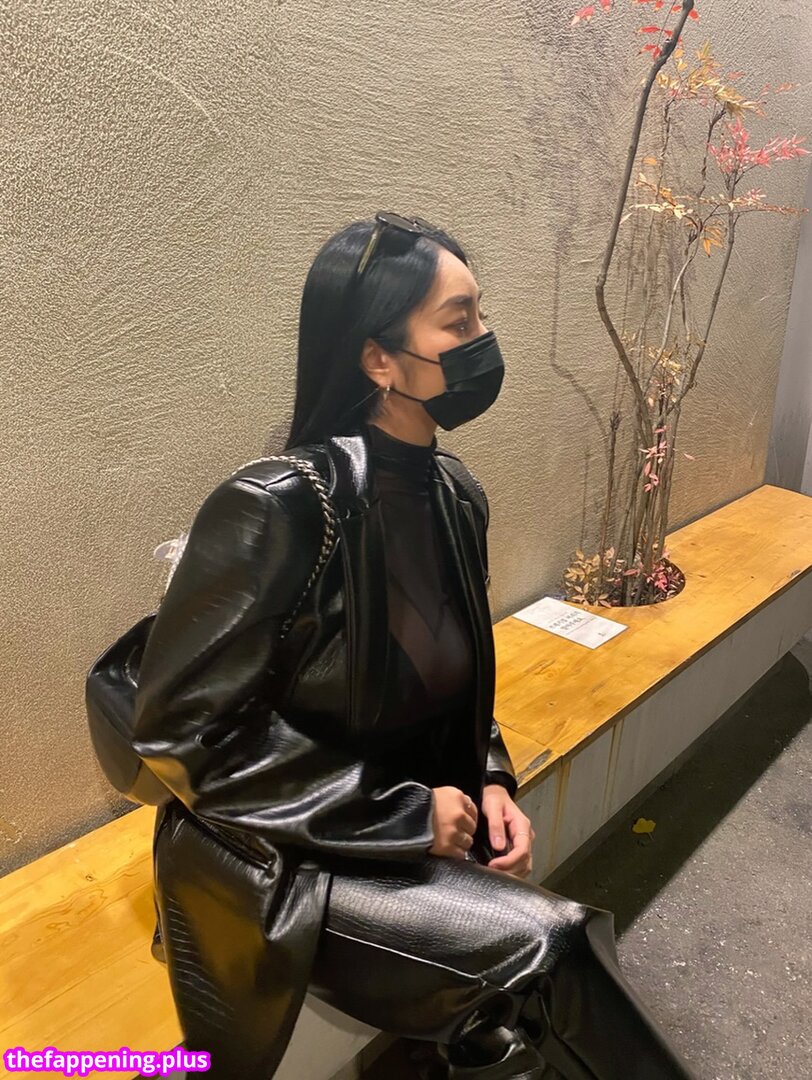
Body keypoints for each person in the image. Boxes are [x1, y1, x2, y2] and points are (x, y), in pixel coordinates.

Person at [131, 213, 698, 1079]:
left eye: (481, 315)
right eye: (458, 322)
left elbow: (448, 681)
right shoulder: (277, 506)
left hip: (408, 824)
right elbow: (182, 732)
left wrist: (490, 780)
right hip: (292, 857)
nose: (484, 340)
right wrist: (400, 816)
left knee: (531, 985)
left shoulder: (454, 494)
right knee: (553, 949)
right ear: (378, 359)